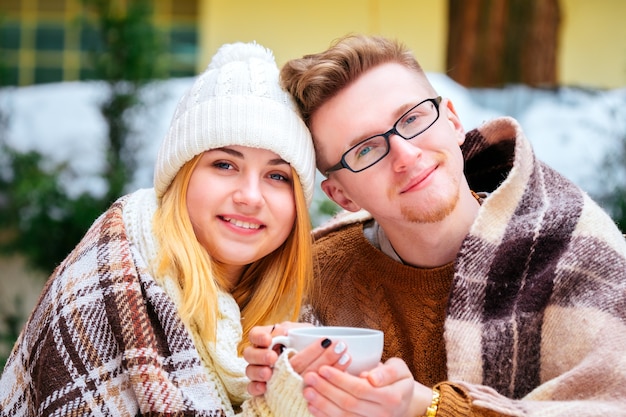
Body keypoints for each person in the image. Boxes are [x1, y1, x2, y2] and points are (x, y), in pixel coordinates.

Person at [243, 34, 626, 416]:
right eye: (365, 149)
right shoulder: (315, 276)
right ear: (342, 196)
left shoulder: (575, 250)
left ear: (454, 122)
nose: (406, 155)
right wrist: (278, 386)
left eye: (411, 119)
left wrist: (428, 407)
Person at [0, 41, 347, 417]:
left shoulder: (300, 313)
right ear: (181, 177)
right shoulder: (106, 280)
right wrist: (276, 406)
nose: (250, 196)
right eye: (224, 165)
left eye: (277, 176)